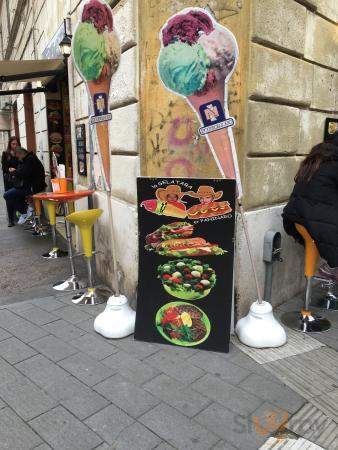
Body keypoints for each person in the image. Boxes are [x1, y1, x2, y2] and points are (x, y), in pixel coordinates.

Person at [283, 132, 338, 281]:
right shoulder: (334, 165)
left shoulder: (314, 161)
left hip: (297, 219)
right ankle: (333, 268)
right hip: (316, 222)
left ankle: (331, 267)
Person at [3, 146, 46, 227]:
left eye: (17, 156)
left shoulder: (29, 160)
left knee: (7, 195)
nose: (17, 158)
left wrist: (14, 171)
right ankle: (26, 210)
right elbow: (25, 173)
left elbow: (24, 174)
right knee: (14, 195)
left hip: (33, 189)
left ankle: (25, 212)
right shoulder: (28, 159)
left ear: (21, 153)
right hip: (30, 187)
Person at [1, 136, 20, 226]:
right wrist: (9, 169)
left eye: (16, 144)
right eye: (13, 144)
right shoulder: (5, 154)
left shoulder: (20, 153)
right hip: (8, 179)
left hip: (18, 178)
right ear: (10, 144)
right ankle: (11, 220)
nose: (15, 145)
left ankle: (20, 216)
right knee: (9, 198)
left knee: (18, 197)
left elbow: (22, 164)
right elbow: (3, 167)